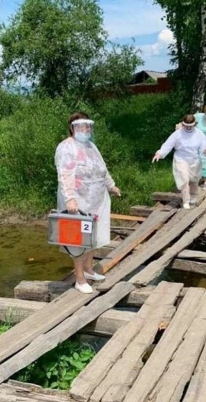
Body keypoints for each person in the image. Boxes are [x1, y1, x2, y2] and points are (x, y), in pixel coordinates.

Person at [54, 112, 121, 294]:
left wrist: (111, 186)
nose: (86, 130)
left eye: (88, 126)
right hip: (78, 200)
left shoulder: (91, 146)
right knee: (79, 240)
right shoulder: (66, 147)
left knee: (94, 236)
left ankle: (89, 269)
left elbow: (102, 169)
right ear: (73, 127)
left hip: (97, 199)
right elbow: (65, 174)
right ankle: (79, 278)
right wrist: (70, 199)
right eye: (81, 127)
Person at [152, 114, 206, 210]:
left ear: (194, 125)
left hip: (194, 159)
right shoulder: (177, 134)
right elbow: (168, 144)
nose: (188, 128)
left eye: (190, 126)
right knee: (184, 179)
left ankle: (193, 195)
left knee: (194, 180)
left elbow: (204, 144)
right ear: (183, 124)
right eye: (186, 126)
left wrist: (205, 150)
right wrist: (160, 153)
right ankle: (185, 200)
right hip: (181, 159)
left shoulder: (199, 133)